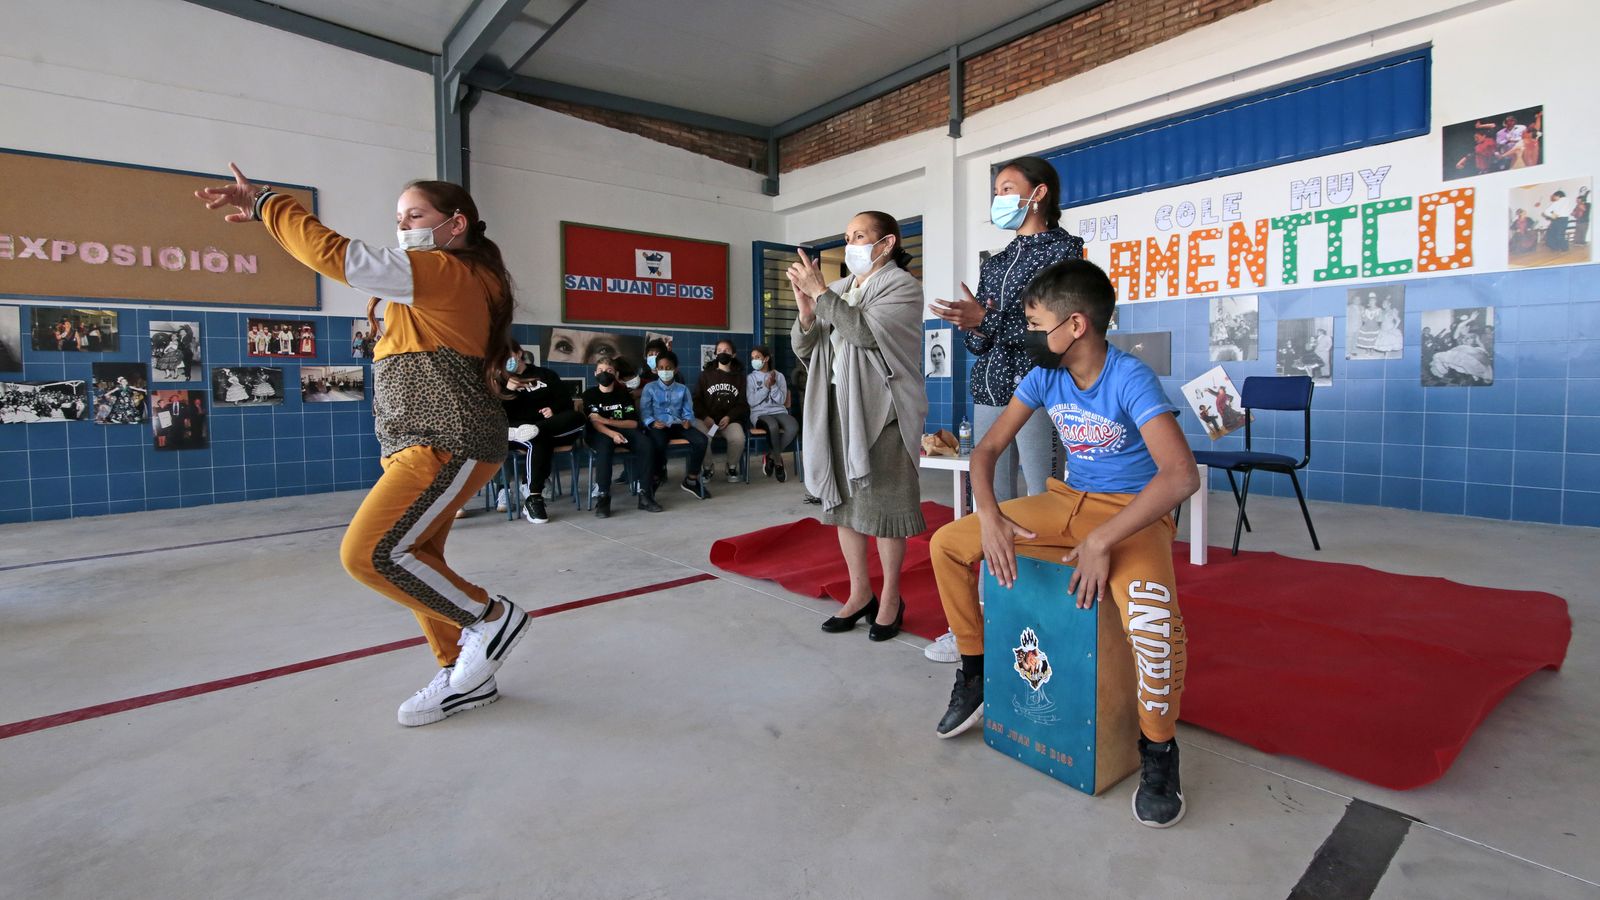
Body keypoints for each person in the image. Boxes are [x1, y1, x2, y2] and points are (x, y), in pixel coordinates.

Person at [196, 163, 531, 728]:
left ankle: (491, 618)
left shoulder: (445, 270)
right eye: (398, 218)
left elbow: (335, 256)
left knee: (370, 554)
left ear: (455, 224)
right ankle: (463, 674)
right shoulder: (443, 281)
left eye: (415, 216)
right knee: (417, 556)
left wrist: (268, 204)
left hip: (446, 439)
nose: (403, 227)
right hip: (420, 440)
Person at [927, 259, 1199, 828]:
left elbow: (1180, 475)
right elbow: (986, 451)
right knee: (948, 545)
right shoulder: (1043, 375)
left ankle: (1158, 748)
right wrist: (990, 516)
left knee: (1151, 619)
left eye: (1034, 324)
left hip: (1132, 516)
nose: (1027, 335)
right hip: (1065, 502)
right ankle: (974, 670)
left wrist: (1103, 540)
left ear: (1076, 324)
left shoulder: (1129, 377)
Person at [788, 210, 926, 641]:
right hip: (838, 408)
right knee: (845, 509)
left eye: (860, 236)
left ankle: (891, 599)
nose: (851, 245)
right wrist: (806, 312)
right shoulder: (839, 289)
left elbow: (865, 334)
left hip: (883, 411)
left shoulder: (903, 287)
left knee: (885, 510)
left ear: (886, 244)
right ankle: (860, 593)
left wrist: (820, 294)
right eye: (847, 237)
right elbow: (807, 348)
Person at [931, 155, 1082, 503]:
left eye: (1007, 190)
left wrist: (986, 320)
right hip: (990, 389)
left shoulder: (1065, 252)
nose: (998, 199)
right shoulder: (996, 263)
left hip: (1040, 388)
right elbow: (979, 344)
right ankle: (993, 543)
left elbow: (1054, 333)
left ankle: (1047, 542)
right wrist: (973, 326)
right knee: (989, 493)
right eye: (996, 192)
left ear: (1038, 193)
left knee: (1044, 493)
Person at [504, 343, 586, 524]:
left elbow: (566, 401)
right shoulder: (501, 380)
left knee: (578, 417)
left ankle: (536, 430)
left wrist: (554, 409)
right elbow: (499, 414)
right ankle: (534, 497)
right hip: (518, 428)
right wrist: (508, 390)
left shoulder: (545, 374)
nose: (505, 360)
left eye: (508, 355)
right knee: (537, 440)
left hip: (549, 425)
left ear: (519, 353)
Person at [582, 357, 657, 516]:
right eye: (600, 370)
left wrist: (607, 421)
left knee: (646, 444)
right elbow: (595, 423)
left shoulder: (623, 394)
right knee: (604, 447)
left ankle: (645, 494)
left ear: (616, 374)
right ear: (595, 373)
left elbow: (633, 423)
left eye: (609, 371)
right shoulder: (590, 394)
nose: (604, 374)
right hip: (600, 433)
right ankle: (603, 497)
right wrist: (612, 433)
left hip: (623, 429)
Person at [640, 349, 711, 501]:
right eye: (661, 368)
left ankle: (691, 480)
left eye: (668, 368)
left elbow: (688, 410)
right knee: (658, 442)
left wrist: (688, 420)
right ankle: (656, 476)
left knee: (702, 440)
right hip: (658, 425)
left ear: (675, 369)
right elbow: (645, 412)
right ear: (656, 369)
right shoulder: (649, 388)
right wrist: (652, 422)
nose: (665, 371)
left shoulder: (682, 389)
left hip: (678, 425)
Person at [695, 338, 749, 483]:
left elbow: (742, 404)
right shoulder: (705, 375)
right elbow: (696, 400)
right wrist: (705, 417)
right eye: (719, 350)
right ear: (715, 354)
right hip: (710, 423)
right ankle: (708, 468)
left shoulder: (740, 378)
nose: (722, 353)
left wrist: (729, 417)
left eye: (726, 350)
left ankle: (731, 467)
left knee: (738, 438)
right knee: (703, 438)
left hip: (728, 422)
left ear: (733, 354)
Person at [746, 344, 797, 482]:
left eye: (758, 357)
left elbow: (781, 400)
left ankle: (771, 456)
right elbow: (752, 401)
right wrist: (765, 387)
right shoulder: (750, 378)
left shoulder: (779, 376)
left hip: (779, 411)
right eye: (752, 358)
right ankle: (778, 463)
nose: (754, 360)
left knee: (793, 427)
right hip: (760, 414)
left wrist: (773, 385)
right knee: (772, 426)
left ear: (766, 358)